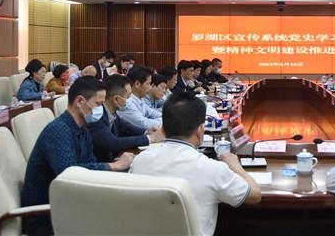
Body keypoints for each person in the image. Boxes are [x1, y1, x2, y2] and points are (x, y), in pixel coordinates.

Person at [130, 92, 261, 236]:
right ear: (200, 130)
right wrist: (234, 165)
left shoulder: (139, 161)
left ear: (163, 130)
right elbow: (255, 195)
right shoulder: (213, 169)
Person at [21, 76, 134, 236]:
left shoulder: (82, 129)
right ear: (80, 101)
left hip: (70, 203)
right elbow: (68, 174)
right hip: (47, 217)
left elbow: (89, 166)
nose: (101, 110)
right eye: (98, 104)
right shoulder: (58, 130)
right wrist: (113, 166)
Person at [87, 74, 164, 162]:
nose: (130, 100)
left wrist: (146, 132)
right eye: (128, 96)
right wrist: (149, 139)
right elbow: (112, 142)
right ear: (116, 99)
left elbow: (125, 127)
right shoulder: (96, 116)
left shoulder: (112, 112)